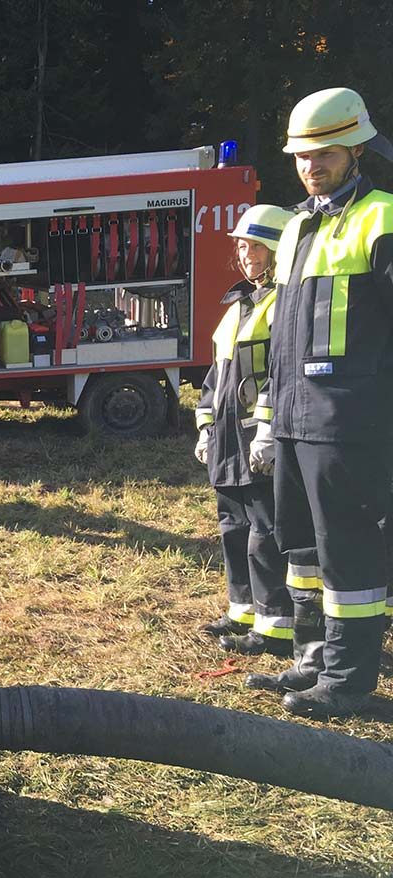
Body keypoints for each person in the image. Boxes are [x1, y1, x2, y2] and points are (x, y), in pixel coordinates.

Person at [246, 88, 393, 718]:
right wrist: (269, 417)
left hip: (349, 421)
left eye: (325, 154)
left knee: (349, 551)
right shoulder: (299, 225)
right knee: (300, 548)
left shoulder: (382, 217)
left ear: (355, 148)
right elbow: (283, 336)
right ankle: (310, 660)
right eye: (303, 156)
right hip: (295, 419)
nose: (312, 166)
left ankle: (349, 681)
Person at [194, 205, 296, 656]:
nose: (246, 253)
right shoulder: (239, 303)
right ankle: (243, 612)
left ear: (277, 249)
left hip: (259, 439)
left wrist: (269, 433)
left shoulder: (284, 301)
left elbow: (281, 373)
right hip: (227, 440)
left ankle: (276, 625)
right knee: (231, 526)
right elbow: (215, 379)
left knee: (264, 530)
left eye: (255, 244)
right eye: (241, 244)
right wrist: (204, 426)